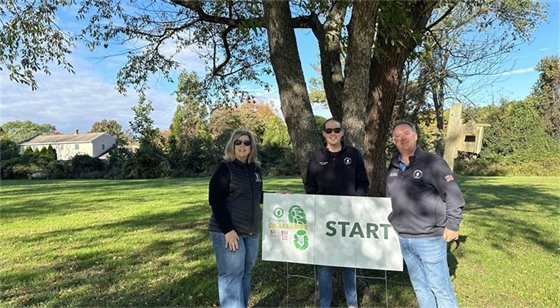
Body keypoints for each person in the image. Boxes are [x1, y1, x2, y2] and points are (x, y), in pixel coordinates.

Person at [386, 120, 465, 308]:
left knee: (440, 288)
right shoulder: (393, 166)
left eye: (405, 133)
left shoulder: (432, 162)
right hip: (404, 237)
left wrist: (453, 225)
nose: (401, 138)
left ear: (415, 136)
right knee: (420, 287)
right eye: (397, 136)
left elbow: (453, 195)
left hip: (429, 238)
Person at [304, 118, 370, 308]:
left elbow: (363, 183)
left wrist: (355, 202)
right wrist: (319, 205)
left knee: (349, 264)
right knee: (324, 267)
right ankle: (325, 305)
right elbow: (310, 186)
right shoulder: (316, 157)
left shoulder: (354, 154)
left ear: (342, 133)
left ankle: (352, 304)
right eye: (328, 130)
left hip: (349, 219)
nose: (333, 133)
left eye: (336, 130)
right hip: (323, 221)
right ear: (324, 134)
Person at [208, 129, 263, 308]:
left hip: (252, 232)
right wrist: (228, 230)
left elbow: (257, 195)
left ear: (251, 147)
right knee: (231, 275)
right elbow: (215, 201)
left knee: (246, 273)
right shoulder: (224, 168)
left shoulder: (255, 169)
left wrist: (279, 197)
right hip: (230, 232)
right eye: (238, 142)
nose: (242, 146)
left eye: (246, 143)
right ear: (232, 145)